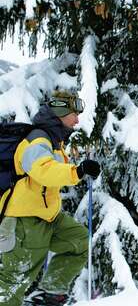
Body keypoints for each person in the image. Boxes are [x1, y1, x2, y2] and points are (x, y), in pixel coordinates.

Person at [0, 90, 101, 306]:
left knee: (79, 240)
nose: (77, 119)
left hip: (48, 218)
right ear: (60, 113)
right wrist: (78, 171)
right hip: (25, 223)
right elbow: (43, 170)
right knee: (12, 284)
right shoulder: (37, 140)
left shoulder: (54, 142)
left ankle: (50, 293)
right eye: (74, 113)